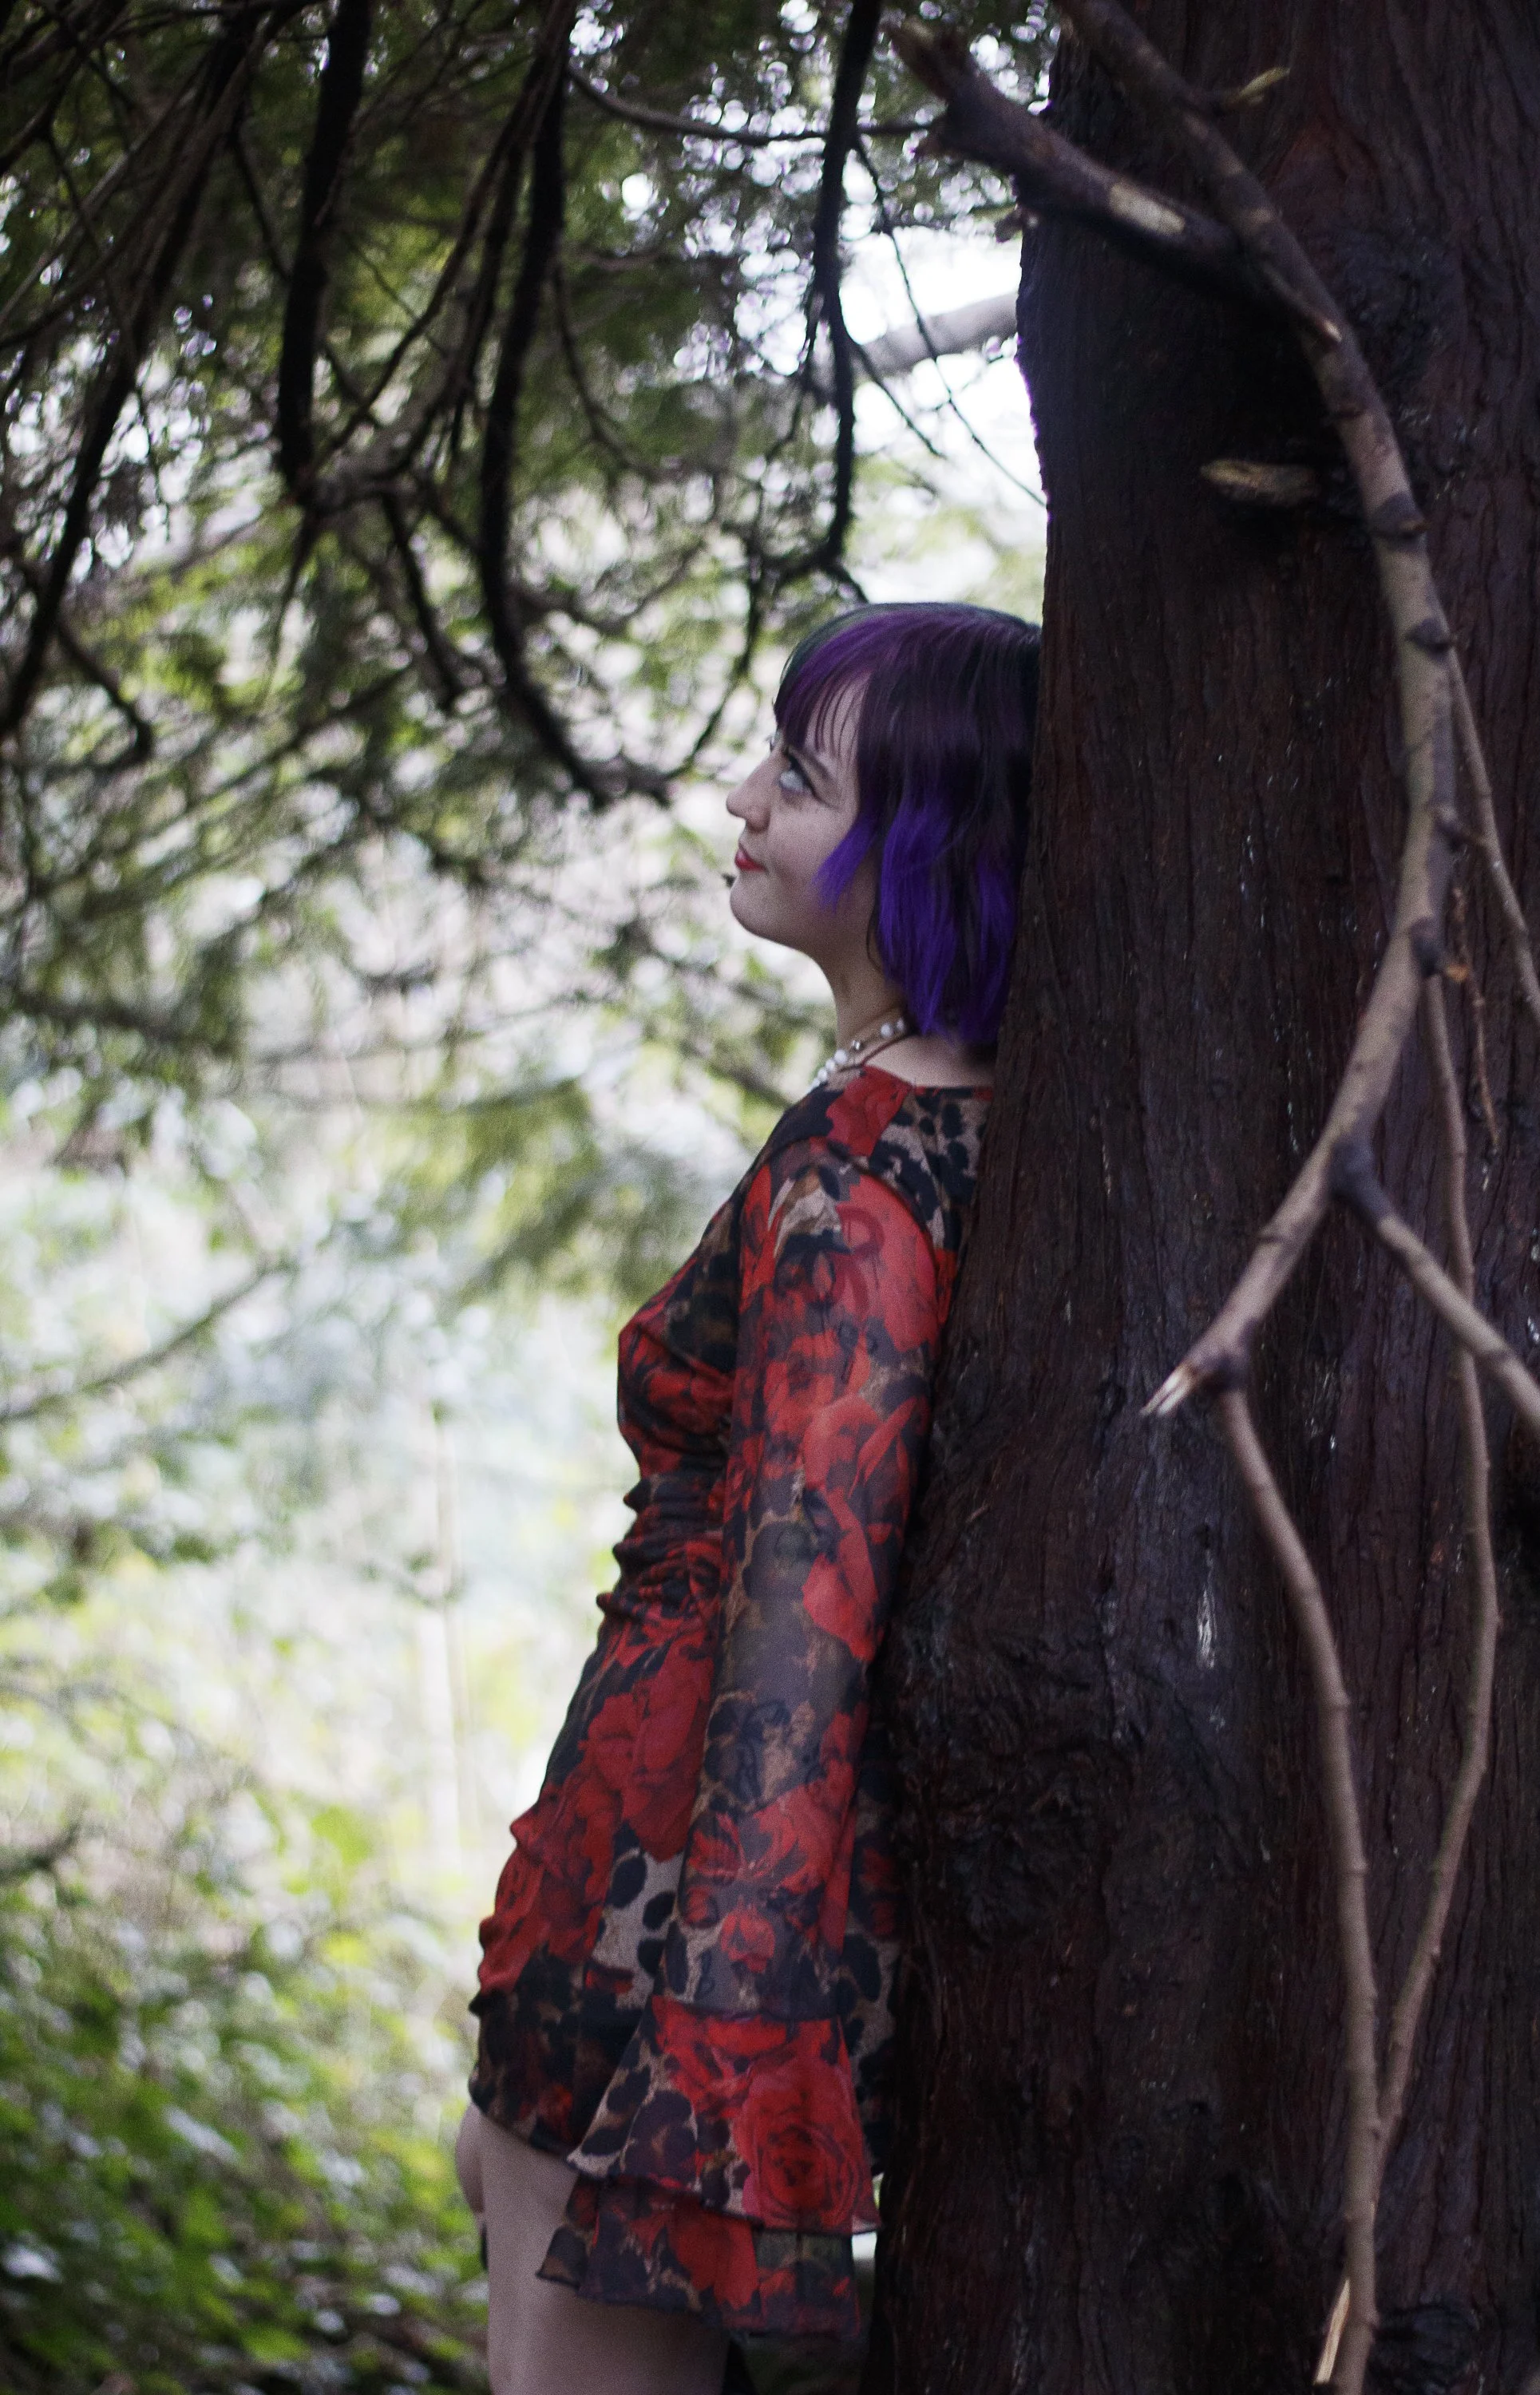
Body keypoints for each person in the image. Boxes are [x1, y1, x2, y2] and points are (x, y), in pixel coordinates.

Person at [454, 600, 1041, 2394]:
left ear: (920, 842)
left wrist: (728, 2014)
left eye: (796, 777)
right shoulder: (919, 1118)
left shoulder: (866, 1169)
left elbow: (811, 1600)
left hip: (678, 1892)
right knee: (501, 2190)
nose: (743, 798)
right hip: (660, 1849)